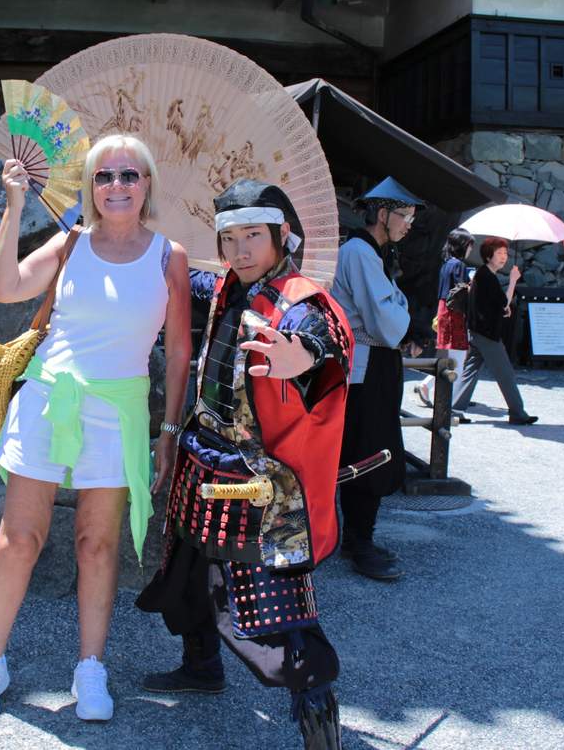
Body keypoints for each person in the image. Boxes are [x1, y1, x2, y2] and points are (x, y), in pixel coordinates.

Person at [0, 134, 191, 724]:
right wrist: (13, 207)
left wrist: (168, 431)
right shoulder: (70, 244)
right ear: (90, 187)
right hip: (49, 399)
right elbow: (5, 287)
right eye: (104, 176)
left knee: (98, 545)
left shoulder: (170, 255)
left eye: (129, 175)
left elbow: (179, 352)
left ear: (147, 184)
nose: (116, 186)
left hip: (118, 410)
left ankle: (90, 668)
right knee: (19, 539)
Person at [137, 179, 353, 750]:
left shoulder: (303, 300)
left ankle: (316, 717)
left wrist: (296, 358)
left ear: (283, 236)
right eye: (229, 237)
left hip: (255, 482)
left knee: (273, 601)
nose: (239, 249)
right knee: (183, 575)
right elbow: (177, 276)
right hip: (198, 461)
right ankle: (201, 666)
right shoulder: (226, 286)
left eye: (253, 235)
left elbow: (325, 340)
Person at [329, 177, 421, 581]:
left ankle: (358, 537)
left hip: (373, 365)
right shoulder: (360, 253)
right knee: (367, 452)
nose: (408, 225)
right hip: (364, 366)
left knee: (371, 447)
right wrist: (400, 310)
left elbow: (390, 314)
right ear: (383, 214)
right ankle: (358, 542)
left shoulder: (372, 254)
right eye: (405, 216)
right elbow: (389, 324)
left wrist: (397, 309)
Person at [451, 236, 538, 425]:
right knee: (505, 373)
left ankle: (453, 411)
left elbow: (492, 305)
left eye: (505, 253)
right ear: (488, 256)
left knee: (470, 371)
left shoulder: (484, 275)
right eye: (499, 253)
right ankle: (517, 413)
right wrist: (514, 281)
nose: (503, 257)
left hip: (477, 331)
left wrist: (502, 309)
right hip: (487, 334)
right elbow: (503, 301)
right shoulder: (487, 277)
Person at [416, 228, 476, 408]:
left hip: (444, 311)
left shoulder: (447, 263)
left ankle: (426, 386)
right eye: (469, 246)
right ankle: (447, 403)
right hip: (454, 314)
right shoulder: (458, 265)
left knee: (447, 357)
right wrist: (473, 283)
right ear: (462, 246)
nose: (470, 250)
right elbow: (461, 291)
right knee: (457, 359)